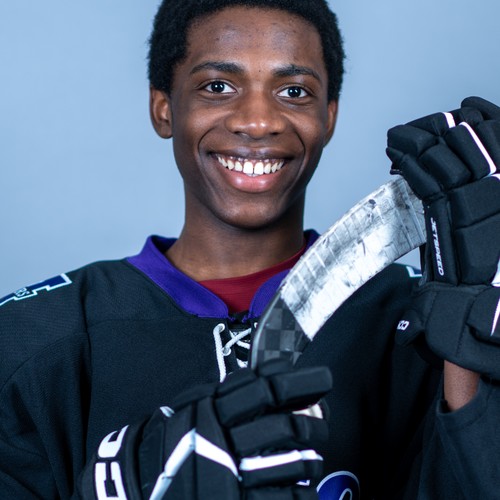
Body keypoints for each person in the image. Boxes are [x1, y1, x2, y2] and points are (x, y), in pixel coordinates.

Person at [0, 0, 499, 498]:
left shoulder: (420, 320)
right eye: (218, 86)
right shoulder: (33, 338)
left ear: (328, 116)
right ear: (164, 107)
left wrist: (473, 355)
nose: (258, 121)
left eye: (294, 91)